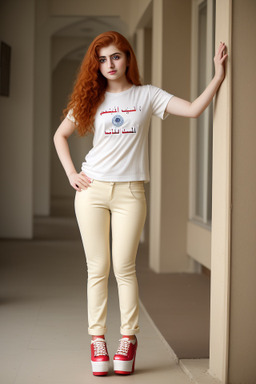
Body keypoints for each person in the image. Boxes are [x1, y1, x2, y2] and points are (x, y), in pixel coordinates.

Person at [53, 31, 228, 376]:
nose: (109, 65)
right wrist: (72, 173)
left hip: (130, 193)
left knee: (124, 267)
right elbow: (60, 135)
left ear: (128, 58)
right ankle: (97, 339)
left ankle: (128, 340)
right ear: (96, 64)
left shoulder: (147, 95)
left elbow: (193, 110)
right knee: (97, 268)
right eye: (102, 59)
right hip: (92, 192)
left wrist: (218, 76)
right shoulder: (91, 97)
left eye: (115, 57)